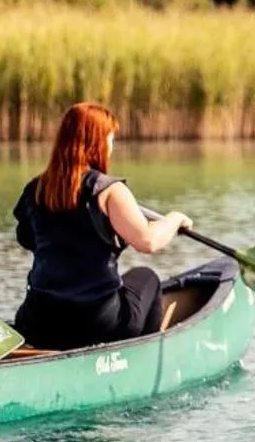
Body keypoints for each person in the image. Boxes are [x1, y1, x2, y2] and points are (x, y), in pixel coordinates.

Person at [12, 102, 191, 351]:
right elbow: (148, 241)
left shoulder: (36, 189)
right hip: (97, 322)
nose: (112, 146)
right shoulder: (110, 190)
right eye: (110, 139)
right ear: (96, 143)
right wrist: (174, 218)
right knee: (147, 277)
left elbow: (27, 239)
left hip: (39, 321)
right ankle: (142, 356)